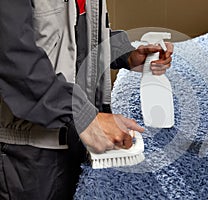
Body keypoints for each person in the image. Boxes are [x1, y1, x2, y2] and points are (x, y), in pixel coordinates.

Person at [0, 0, 173, 199]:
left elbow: (81, 33)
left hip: (80, 139)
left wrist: (126, 54)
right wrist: (82, 115)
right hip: (31, 154)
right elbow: (12, 55)